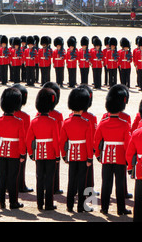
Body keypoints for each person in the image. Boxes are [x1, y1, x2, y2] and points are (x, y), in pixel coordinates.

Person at [94, 84, 131, 215]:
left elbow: (96, 140)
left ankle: (104, 208)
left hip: (106, 157)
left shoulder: (103, 122)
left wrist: (98, 155)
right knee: (120, 184)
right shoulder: (125, 124)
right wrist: (128, 159)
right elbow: (127, 143)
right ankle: (121, 209)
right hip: (120, 157)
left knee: (106, 184)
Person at [0, 87, 26, 210]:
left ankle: (1, 201)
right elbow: (21, 140)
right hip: (14, 153)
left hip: (1, 152)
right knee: (13, 178)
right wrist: (22, 154)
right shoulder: (19, 122)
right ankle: (13, 202)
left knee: (2, 177)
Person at [60, 87, 93, 213]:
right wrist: (90, 157)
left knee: (71, 181)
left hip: (71, 155)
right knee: (82, 182)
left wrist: (64, 155)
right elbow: (89, 143)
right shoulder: (86, 123)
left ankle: (69, 206)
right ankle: (80, 207)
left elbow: (62, 141)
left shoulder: (66, 122)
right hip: (83, 155)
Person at [26, 87, 60, 211]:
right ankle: (48, 204)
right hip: (50, 153)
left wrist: (31, 153)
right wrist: (57, 155)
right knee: (49, 180)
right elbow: (56, 141)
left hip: (39, 154)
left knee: (39, 178)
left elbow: (28, 139)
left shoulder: (34, 121)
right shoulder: (53, 122)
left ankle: (39, 203)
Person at [12, 83, 33, 193]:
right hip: (21, 145)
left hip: (9, 144)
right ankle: (21, 185)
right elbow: (27, 134)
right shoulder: (25, 116)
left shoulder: (7, 114)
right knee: (21, 168)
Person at [126, 100, 142, 222]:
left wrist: (130, 168)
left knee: (139, 198)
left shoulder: (137, 133)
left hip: (140, 171)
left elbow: (130, 153)